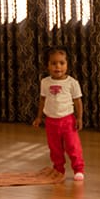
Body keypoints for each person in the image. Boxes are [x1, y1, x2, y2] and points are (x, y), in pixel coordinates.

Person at [30, 48, 85, 181]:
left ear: (67, 64)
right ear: (48, 66)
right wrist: (39, 117)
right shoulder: (45, 82)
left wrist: (79, 118)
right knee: (55, 148)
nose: (58, 67)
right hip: (51, 122)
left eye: (61, 63)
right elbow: (42, 99)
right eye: (54, 63)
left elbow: (77, 101)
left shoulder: (72, 83)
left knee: (73, 146)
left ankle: (78, 169)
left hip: (68, 121)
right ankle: (58, 169)